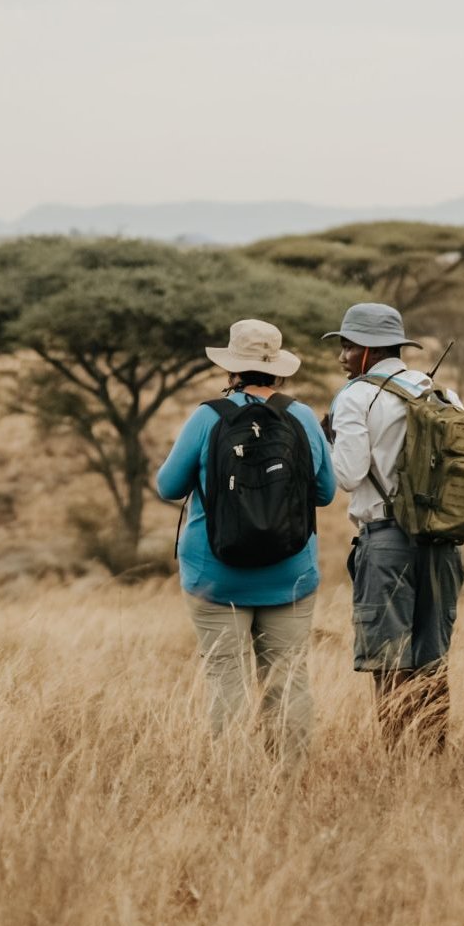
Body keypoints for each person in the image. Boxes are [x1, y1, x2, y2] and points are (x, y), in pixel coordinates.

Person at [155, 319, 335, 764]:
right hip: (291, 574)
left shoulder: (207, 416)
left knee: (227, 679)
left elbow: (168, 486)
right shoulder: (303, 416)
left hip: (215, 577)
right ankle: (288, 786)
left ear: (231, 371)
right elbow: (327, 493)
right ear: (278, 370)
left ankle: (235, 784)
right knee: (288, 679)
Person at [323, 302, 464, 750]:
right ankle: (434, 753)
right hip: (441, 541)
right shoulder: (442, 392)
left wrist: (329, 442)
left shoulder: (355, 396)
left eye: (346, 346)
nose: (341, 355)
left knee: (387, 658)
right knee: (432, 658)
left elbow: (347, 474)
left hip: (386, 539)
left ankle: (397, 761)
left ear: (367, 350)